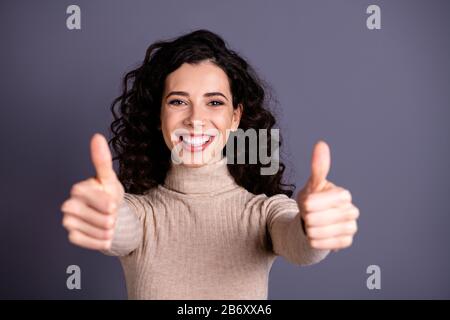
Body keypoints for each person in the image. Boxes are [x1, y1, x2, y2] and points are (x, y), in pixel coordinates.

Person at [60, 29, 359, 299]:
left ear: (235, 117)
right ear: (158, 117)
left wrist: (313, 226)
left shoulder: (263, 212)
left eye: (214, 102)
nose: (196, 119)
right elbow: (120, 228)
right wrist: (106, 216)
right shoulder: (140, 214)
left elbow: (300, 243)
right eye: (178, 101)